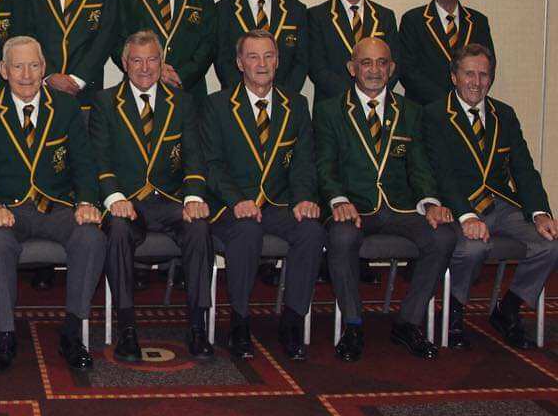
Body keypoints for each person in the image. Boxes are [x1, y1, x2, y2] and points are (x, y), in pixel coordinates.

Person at [0, 36, 105, 373]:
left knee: (91, 237)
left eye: (33, 65)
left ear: (44, 68)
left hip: (56, 206)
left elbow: (85, 165)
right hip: (7, 208)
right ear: (3, 70)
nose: (26, 74)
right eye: (18, 66)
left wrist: (87, 201)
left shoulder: (67, 107)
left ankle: (72, 332)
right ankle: (5, 335)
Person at [314, 37, 456, 361]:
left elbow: (420, 166)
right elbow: (324, 166)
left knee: (443, 236)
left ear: (392, 68)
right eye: (366, 63)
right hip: (353, 206)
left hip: (400, 207)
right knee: (342, 236)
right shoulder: (329, 111)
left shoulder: (410, 112)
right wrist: (337, 200)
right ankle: (352, 324)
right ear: (352, 68)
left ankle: (408, 321)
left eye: (381, 63)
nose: (374, 70)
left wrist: (431, 203)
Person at [200, 29, 323, 360]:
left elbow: (303, 164)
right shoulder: (218, 105)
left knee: (312, 230)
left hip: (280, 205)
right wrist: (236, 200)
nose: (262, 63)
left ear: (278, 61)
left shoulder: (296, 106)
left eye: (269, 56)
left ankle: (292, 321)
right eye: (253, 56)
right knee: (247, 231)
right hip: (232, 207)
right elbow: (211, 164)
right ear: (240, 63)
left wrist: (302, 200)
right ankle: (239, 323)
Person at [424, 44, 557, 350]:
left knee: (550, 244)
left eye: (484, 75)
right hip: (460, 205)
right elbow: (441, 174)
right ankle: (453, 310)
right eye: (469, 73)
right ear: (454, 76)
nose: (476, 81)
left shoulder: (504, 115)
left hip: (500, 203)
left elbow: (523, 168)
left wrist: (540, 213)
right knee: (472, 249)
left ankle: (508, 308)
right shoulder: (434, 115)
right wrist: (467, 216)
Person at [90, 30, 213, 361]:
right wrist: (114, 197)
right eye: (137, 60)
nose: (145, 68)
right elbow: (100, 160)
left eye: (152, 59)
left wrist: (193, 199)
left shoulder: (183, 102)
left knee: (200, 228)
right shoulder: (104, 103)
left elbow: (194, 157)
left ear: (162, 62)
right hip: (128, 202)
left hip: (170, 201)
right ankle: (127, 327)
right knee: (115, 229)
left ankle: (197, 325)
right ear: (125, 64)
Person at [214, 0, 309, 93]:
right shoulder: (223, 10)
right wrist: (246, 97)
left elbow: (301, 62)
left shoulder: (296, 10)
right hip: (236, 103)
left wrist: (280, 98)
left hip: (283, 103)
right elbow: (222, 61)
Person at [399, 0, 494, 105]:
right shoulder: (413, 20)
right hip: (425, 111)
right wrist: (448, 103)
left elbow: (489, 66)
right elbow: (407, 71)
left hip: (467, 112)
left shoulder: (478, 22)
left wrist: (464, 101)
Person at [307, 0, 398, 102]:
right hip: (333, 107)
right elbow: (317, 68)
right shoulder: (317, 16)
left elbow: (395, 65)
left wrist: (372, 94)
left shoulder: (385, 16)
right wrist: (356, 97)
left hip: (377, 104)